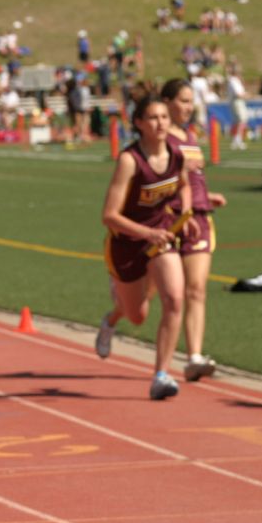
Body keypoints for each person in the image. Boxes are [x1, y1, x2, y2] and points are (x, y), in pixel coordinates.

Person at [95, 95, 197, 400]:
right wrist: (147, 233)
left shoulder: (177, 155)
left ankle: (161, 374)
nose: (161, 123)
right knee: (137, 315)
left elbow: (184, 185)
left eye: (164, 117)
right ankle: (112, 318)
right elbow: (109, 216)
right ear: (139, 123)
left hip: (162, 239)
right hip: (127, 244)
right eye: (153, 118)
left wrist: (185, 213)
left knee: (175, 300)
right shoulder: (130, 161)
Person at [161, 78, 227, 382]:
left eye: (191, 101)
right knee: (144, 299)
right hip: (167, 221)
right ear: (167, 102)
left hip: (199, 219)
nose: (188, 107)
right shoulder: (159, 139)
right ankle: (115, 316)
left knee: (196, 289)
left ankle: (194, 357)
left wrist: (206, 197)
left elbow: (194, 180)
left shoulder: (190, 136)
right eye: (183, 100)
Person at [226, 67, 248, 150]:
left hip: (237, 102)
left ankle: (237, 139)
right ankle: (237, 140)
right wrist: (246, 95)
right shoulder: (233, 81)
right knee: (241, 120)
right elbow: (238, 94)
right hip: (237, 102)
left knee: (239, 121)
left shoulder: (236, 81)